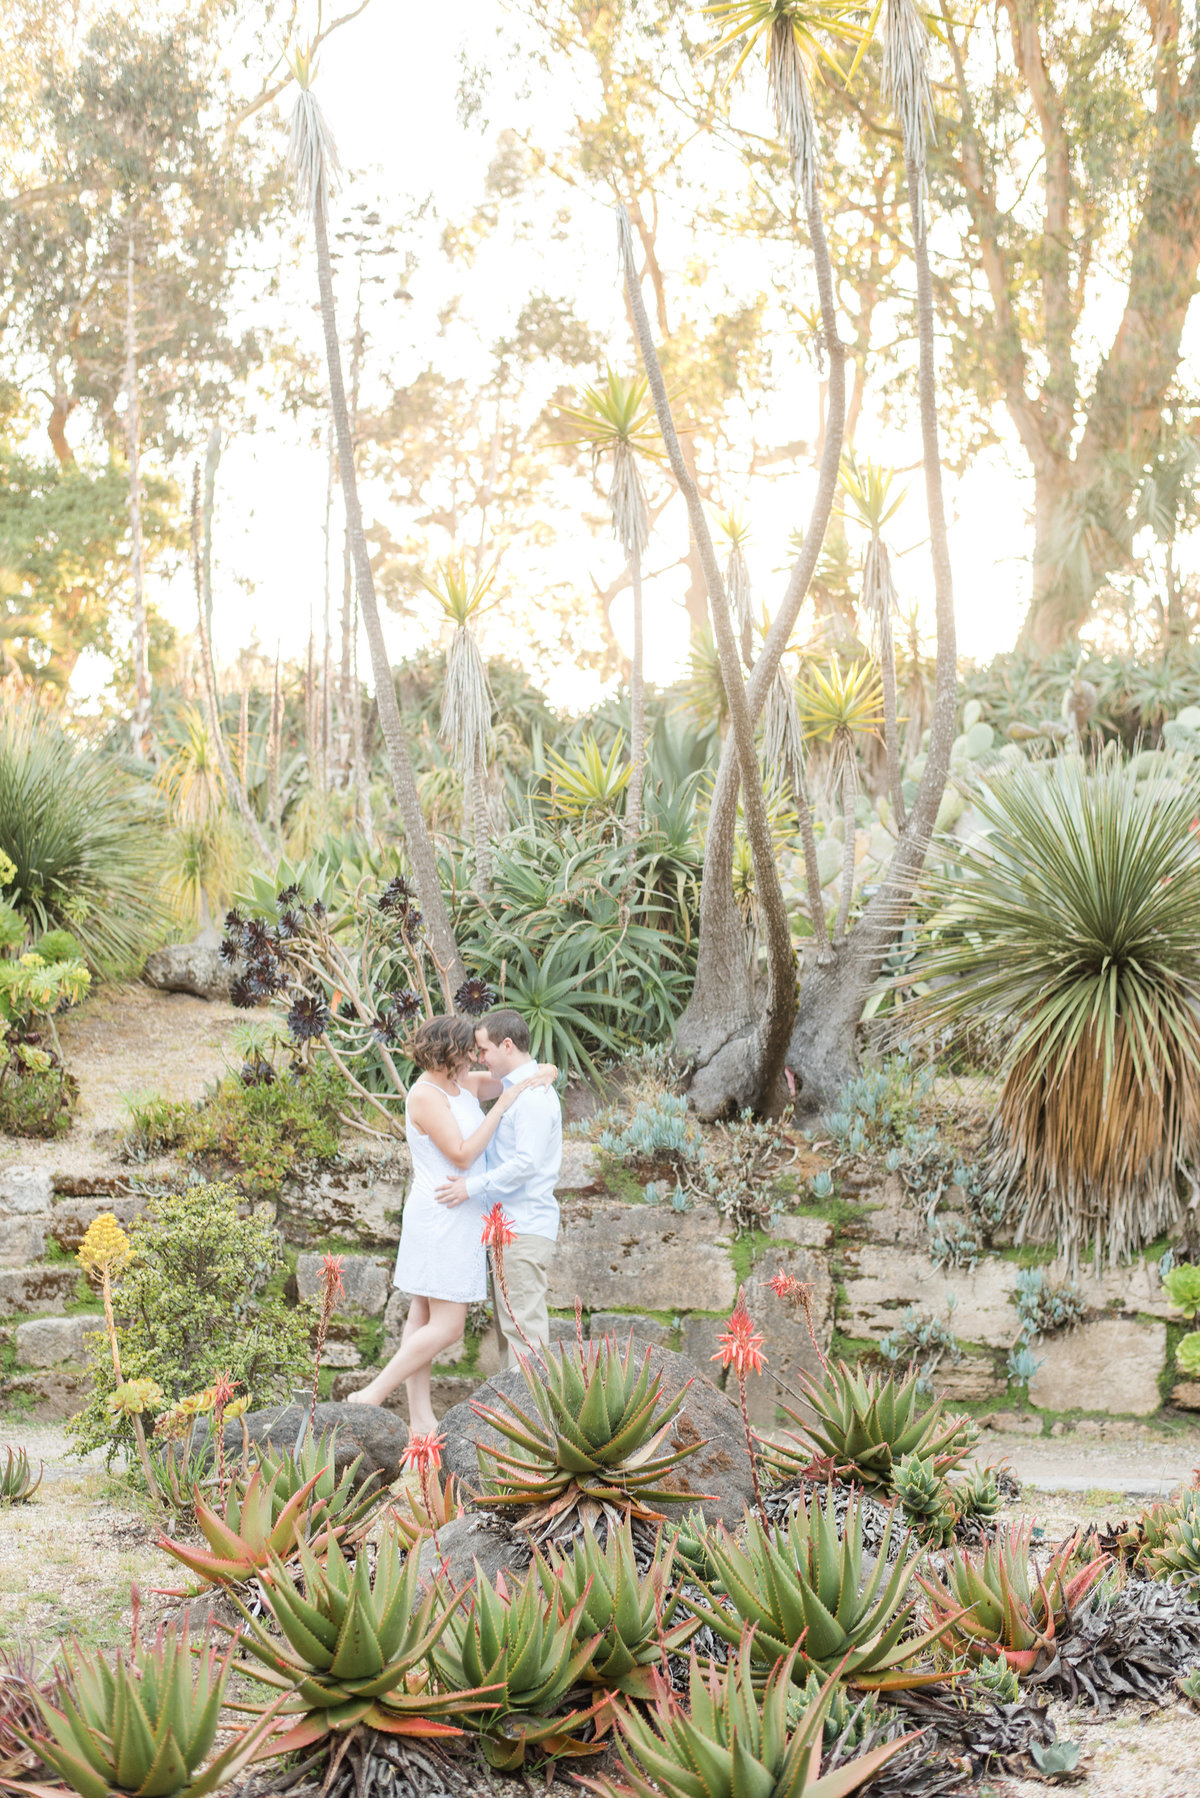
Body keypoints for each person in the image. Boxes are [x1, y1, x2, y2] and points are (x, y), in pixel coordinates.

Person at [348, 1014, 556, 1425]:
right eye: (468, 1051)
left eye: (478, 1051)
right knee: (447, 1327)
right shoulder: (425, 1095)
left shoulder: (463, 1085)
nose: (475, 1058)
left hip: (462, 1213)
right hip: (441, 1212)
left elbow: (516, 1077)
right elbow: (462, 1154)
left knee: (421, 1313)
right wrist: (501, 1108)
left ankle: (421, 1417)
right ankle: (373, 1392)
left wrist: (547, 1070)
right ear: (449, 1050)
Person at [435, 1007, 563, 1371]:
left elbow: (525, 1165)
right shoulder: (517, 1088)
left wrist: (469, 1187)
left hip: (522, 1227)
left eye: (484, 1050)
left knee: (526, 1337)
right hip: (507, 1230)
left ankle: (535, 1424)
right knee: (512, 1334)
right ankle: (515, 1423)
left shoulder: (534, 1098)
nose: (479, 1058)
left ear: (507, 1045)